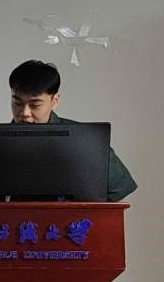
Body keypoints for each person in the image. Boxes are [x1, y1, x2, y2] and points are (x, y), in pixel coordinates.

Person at [9, 60, 137, 201]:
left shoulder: (85, 140)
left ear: (55, 101)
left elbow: (118, 189)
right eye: (17, 103)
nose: (25, 113)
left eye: (35, 105)